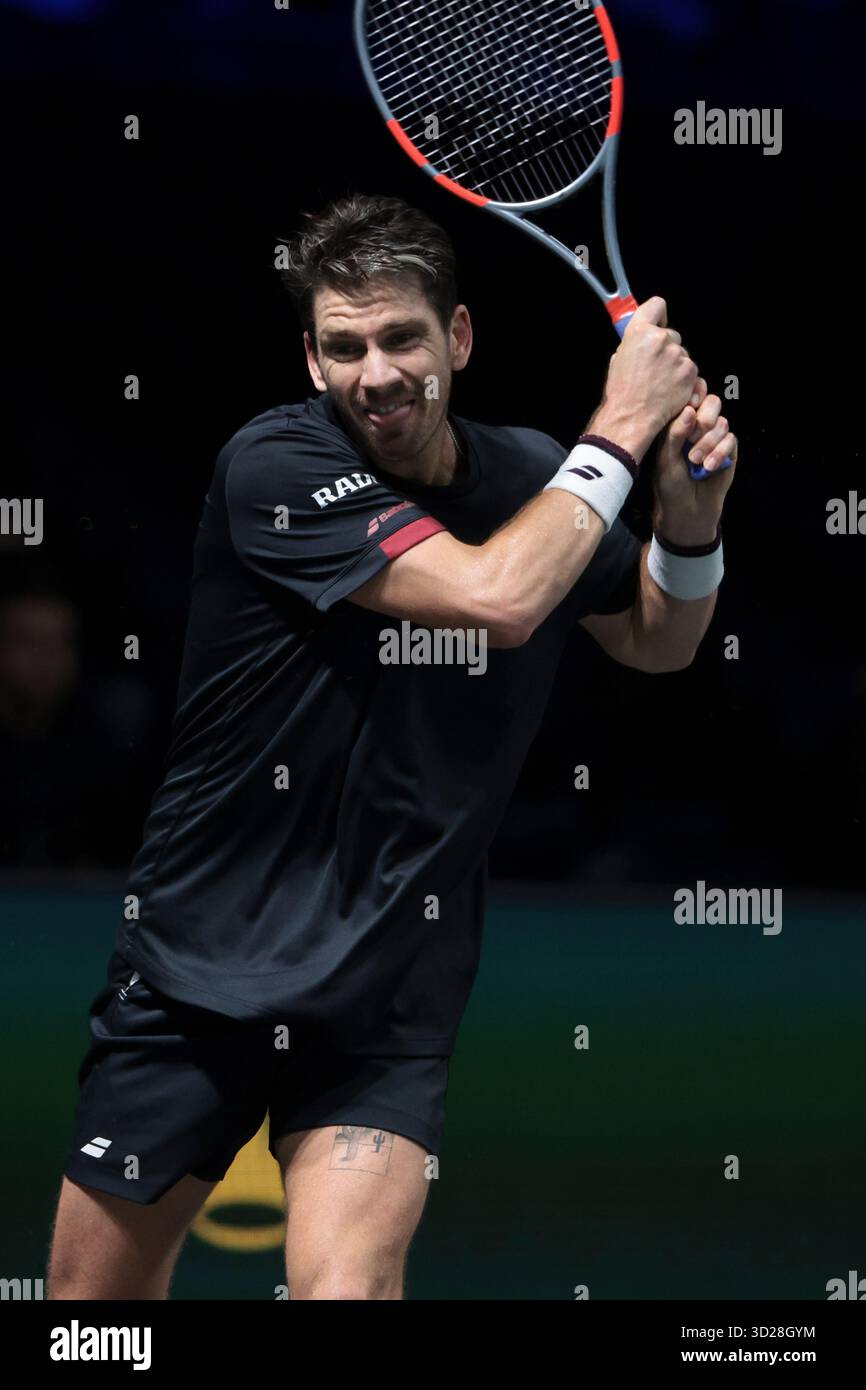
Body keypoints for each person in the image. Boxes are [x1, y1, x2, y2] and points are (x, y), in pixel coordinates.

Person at [48, 194, 737, 1300]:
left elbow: (659, 641)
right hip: (198, 972)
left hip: (388, 993)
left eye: (401, 337)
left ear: (455, 338)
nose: (375, 372)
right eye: (343, 345)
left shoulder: (527, 480)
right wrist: (616, 429)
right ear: (312, 361)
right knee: (91, 1323)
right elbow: (499, 597)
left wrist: (689, 518)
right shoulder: (271, 466)